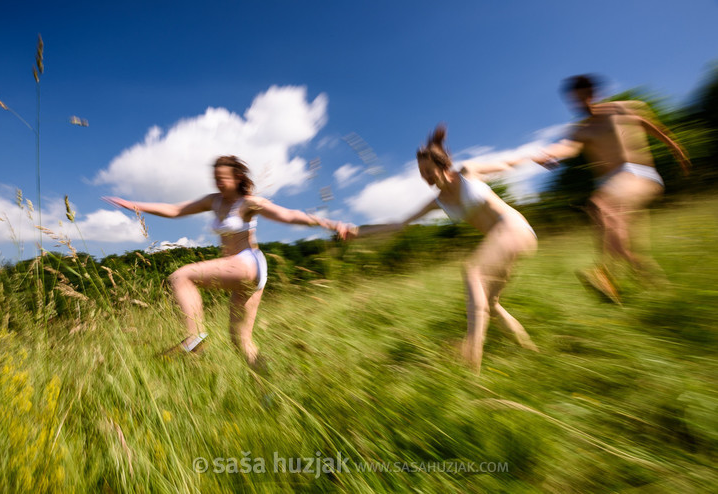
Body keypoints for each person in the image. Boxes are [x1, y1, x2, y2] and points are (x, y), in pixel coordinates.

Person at [104, 155, 351, 364]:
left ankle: (195, 336)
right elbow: (176, 210)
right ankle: (268, 394)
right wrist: (136, 205)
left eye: (224, 178)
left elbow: (288, 216)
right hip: (245, 271)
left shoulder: (249, 202)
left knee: (181, 276)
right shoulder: (214, 201)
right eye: (216, 179)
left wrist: (331, 224)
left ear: (237, 178)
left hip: (248, 262)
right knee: (240, 340)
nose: (219, 183)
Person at [355, 125, 538, 375]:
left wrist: (538, 157)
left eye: (426, 170)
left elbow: (506, 164)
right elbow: (399, 224)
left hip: (515, 228)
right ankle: (532, 353)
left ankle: (472, 355)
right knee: (492, 304)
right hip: (503, 243)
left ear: (442, 164)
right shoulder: (438, 201)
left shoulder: (468, 172)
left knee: (472, 270)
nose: (424, 177)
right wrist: (356, 232)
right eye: (420, 173)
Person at [511, 74, 691, 302]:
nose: (581, 104)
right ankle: (655, 289)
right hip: (612, 184)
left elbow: (647, 124)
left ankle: (606, 274)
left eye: (584, 97)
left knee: (599, 204)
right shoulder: (582, 130)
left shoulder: (620, 109)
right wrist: (549, 154)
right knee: (623, 244)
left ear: (593, 93)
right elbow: (568, 148)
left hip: (638, 173)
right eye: (575, 100)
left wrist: (674, 147)